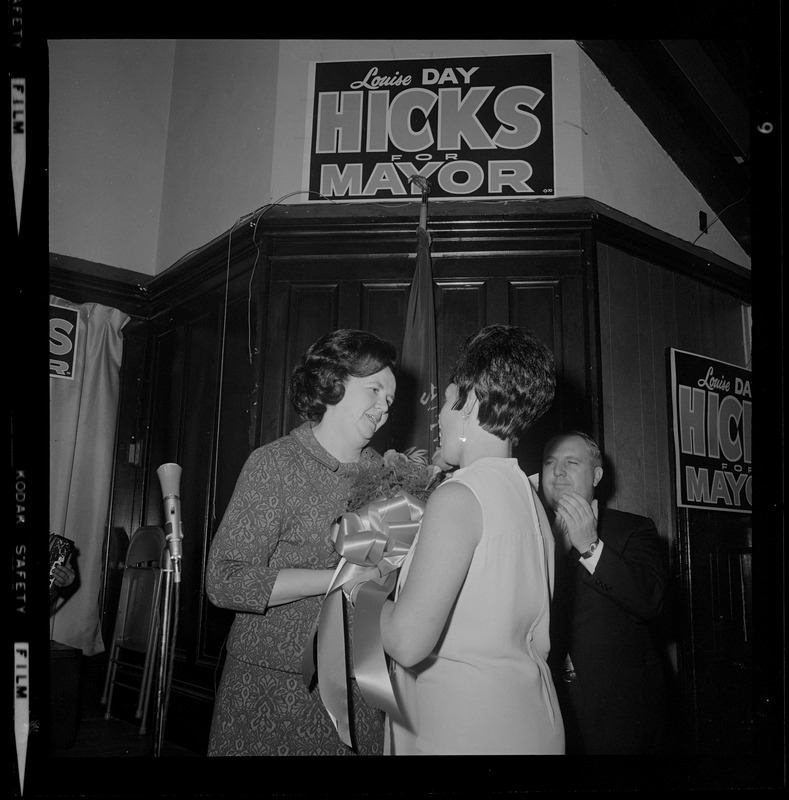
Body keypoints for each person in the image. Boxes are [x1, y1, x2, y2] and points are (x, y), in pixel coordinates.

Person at [205, 328, 397, 756]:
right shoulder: (273, 463)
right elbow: (224, 580)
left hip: (359, 685)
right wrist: (333, 579)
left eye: (390, 398)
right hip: (270, 683)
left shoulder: (389, 478)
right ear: (333, 384)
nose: (385, 405)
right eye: (375, 389)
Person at [379, 324, 564, 755]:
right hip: (530, 721)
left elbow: (407, 643)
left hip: (463, 729)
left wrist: (361, 589)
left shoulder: (459, 495)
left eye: (445, 401)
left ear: (471, 403)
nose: (438, 416)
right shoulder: (531, 499)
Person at [540, 431, 669, 755]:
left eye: (571, 463)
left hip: (619, 714)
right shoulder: (526, 531)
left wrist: (590, 546)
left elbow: (649, 600)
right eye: (550, 463)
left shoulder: (633, 529)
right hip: (544, 706)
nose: (558, 473)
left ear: (597, 475)